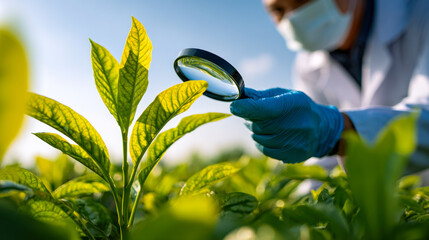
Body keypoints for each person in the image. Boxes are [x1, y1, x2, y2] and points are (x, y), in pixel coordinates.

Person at [230, 0, 429, 183]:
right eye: (278, 10)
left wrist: (339, 130)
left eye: (301, 0)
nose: (292, 18)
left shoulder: (421, 12)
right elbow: (322, 167)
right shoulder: (306, 66)